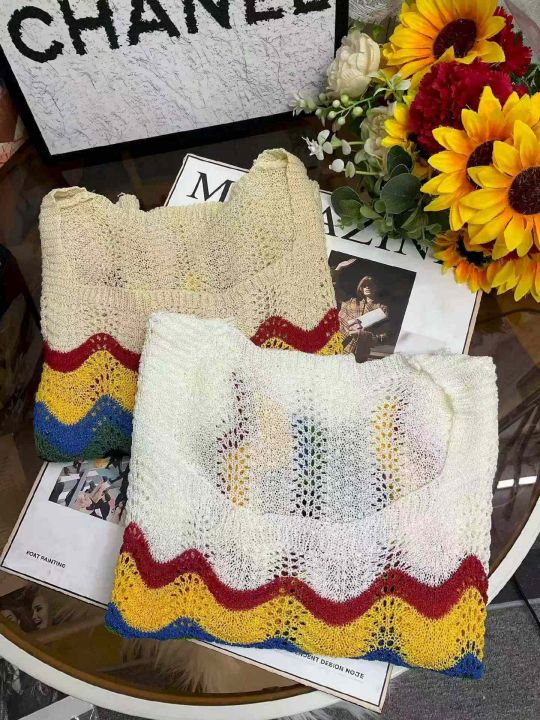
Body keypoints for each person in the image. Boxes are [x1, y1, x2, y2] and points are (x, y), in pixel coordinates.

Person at [338, 275, 392, 362]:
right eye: (364, 285)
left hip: (361, 352)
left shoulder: (382, 308)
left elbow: (384, 336)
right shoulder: (352, 302)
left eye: (370, 285)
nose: (367, 287)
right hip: (342, 346)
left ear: (376, 288)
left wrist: (362, 335)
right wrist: (337, 271)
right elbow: (333, 290)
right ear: (360, 288)